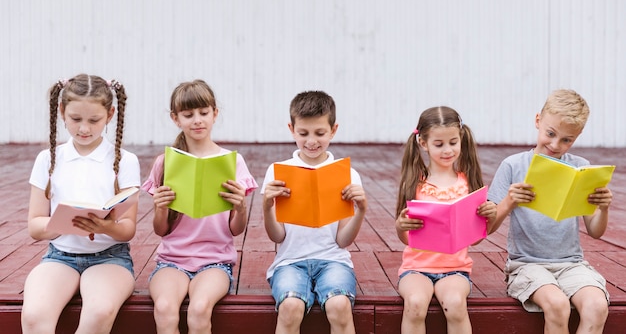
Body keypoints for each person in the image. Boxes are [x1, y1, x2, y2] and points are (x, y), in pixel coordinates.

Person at [22, 74, 140, 334]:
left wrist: (103, 226)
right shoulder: (48, 159)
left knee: (98, 313)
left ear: (110, 115)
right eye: (76, 119)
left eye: (94, 120)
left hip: (110, 258)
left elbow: (128, 228)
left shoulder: (125, 160)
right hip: (59, 257)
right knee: (34, 316)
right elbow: (34, 225)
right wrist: (66, 223)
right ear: (62, 111)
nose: (84, 128)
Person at [488, 89, 612, 334]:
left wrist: (604, 208)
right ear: (538, 121)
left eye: (567, 139)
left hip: (571, 264)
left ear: (577, 137)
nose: (555, 145)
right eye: (550, 134)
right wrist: (508, 203)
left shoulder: (581, 168)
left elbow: (595, 231)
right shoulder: (513, 165)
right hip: (526, 265)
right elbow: (487, 227)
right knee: (557, 305)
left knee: (597, 305)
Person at [142, 79, 258, 334]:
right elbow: (161, 231)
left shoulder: (232, 162)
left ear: (214, 114)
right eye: (188, 114)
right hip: (171, 261)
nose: (197, 120)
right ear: (176, 118)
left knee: (199, 308)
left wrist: (240, 207)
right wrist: (160, 207)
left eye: (203, 113)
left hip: (215, 262)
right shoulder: (165, 163)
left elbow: (235, 231)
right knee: (163, 307)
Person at [261, 90, 368, 334]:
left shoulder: (347, 175)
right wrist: (267, 206)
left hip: (333, 261)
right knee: (290, 306)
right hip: (290, 262)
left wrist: (361, 210)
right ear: (292, 129)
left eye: (320, 133)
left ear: (333, 130)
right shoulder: (278, 171)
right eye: (303, 133)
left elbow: (343, 240)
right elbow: (277, 236)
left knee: (340, 306)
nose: (312, 141)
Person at [394, 106, 497, 334]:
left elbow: (476, 240)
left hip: (456, 269)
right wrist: (401, 226)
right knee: (415, 304)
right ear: (423, 144)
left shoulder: (468, 184)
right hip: (416, 268)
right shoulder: (414, 183)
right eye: (439, 144)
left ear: (461, 139)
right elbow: (406, 238)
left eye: (453, 142)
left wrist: (489, 218)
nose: (447, 150)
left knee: (455, 304)